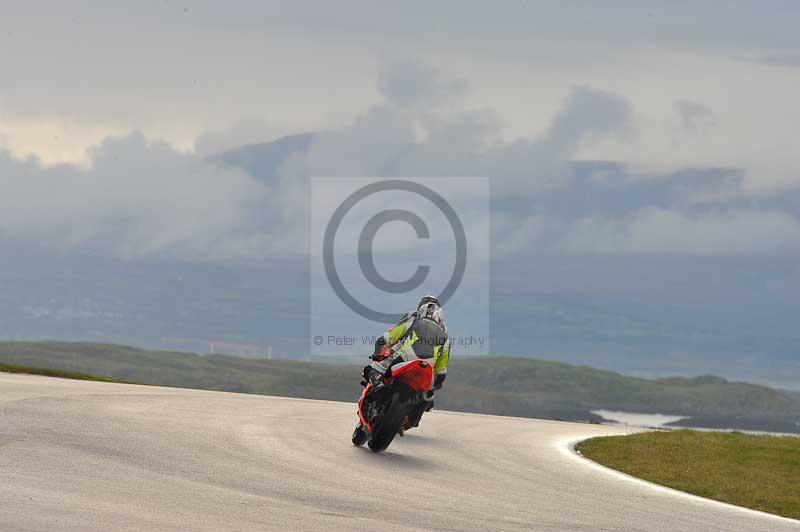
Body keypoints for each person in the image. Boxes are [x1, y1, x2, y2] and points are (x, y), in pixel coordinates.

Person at [362, 295, 451, 431]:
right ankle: (410, 419)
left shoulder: (412, 321)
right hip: (427, 371)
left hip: (404, 358)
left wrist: (378, 354)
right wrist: (435, 385)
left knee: (370, 369)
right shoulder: (445, 337)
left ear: (421, 309)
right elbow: (442, 369)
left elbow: (385, 339)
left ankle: (378, 383)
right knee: (427, 396)